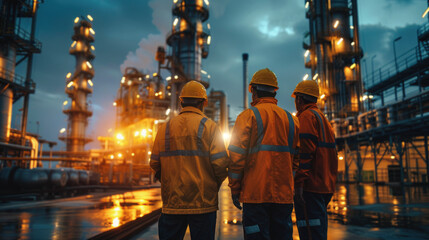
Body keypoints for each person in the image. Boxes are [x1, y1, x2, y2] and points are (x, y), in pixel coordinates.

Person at [150, 80, 229, 240]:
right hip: (203, 204)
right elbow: (221, 166)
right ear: (204, 103)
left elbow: (155, 164)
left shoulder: (164, 129)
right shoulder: (211, 127)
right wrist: (213, 185)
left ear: (181, 102)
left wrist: (168, 182)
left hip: (173, 203)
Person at [228, 68, 300, 240]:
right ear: (275, 91)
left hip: (255, 195)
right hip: (283, 197)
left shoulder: (247, 117)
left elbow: (236, 158)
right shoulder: (292, 120)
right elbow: (295, 160)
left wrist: (235, 188)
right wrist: (288, 185)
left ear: (253, 90)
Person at [292, 80, 338, 240]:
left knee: (310, 231)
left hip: (310, 187)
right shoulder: (323, 119)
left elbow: (305, 154)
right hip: (325, 185)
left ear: (299, 99)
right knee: (318, 230)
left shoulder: (306, 117)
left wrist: (298, 184)